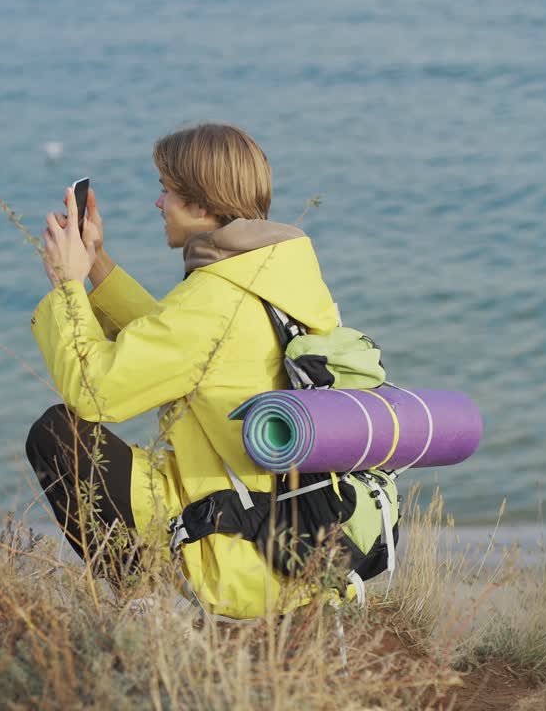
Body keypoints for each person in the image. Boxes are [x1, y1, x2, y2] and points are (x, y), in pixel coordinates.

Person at [25, 123, 347, 620]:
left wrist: (67, 286)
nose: (158, 203)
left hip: (241, 551)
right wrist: (97, 266)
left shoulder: (215, 297)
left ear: (200, 206)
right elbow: (184, 348)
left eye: (166, 190)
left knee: (57, 434)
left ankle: (146, 606)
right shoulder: (278, 275)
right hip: (297, 533)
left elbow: (96, 392)